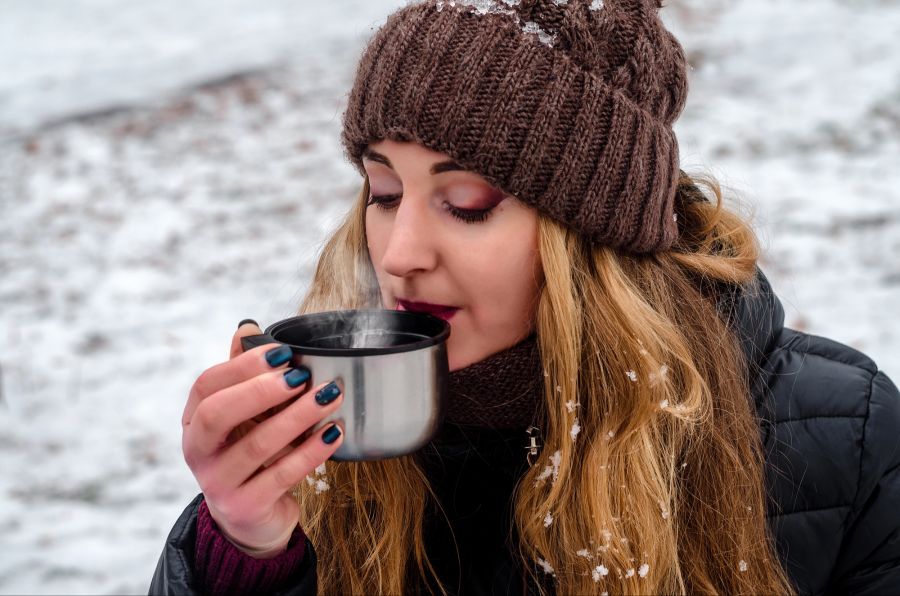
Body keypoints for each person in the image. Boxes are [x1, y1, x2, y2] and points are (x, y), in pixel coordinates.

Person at [150, 0, 900, 594]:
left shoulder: (845, 437)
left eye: (468, 201)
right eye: (383, 192)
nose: (400, 257)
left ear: (591, 236)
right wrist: (246, 551)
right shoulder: (338, 441)